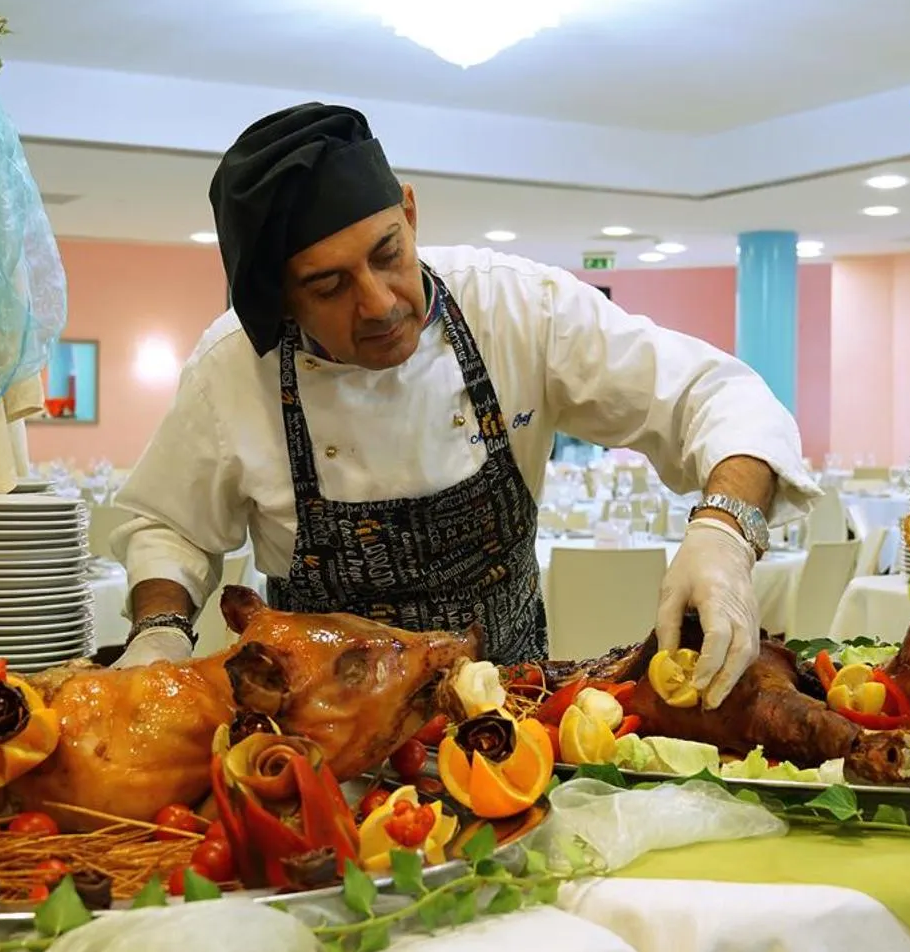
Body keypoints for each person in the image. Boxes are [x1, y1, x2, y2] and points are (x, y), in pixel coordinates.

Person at [109, 103, 816, 707]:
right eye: (329, 287)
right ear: (281, 303)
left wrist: (725, 529)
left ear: (409, 214)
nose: (380, 302)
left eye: (388, 252)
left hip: (510, 714)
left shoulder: (518, 308)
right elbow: (171, 527)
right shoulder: (231, 370)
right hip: (317, 737)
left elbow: (713, 392)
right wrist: (159, 631)